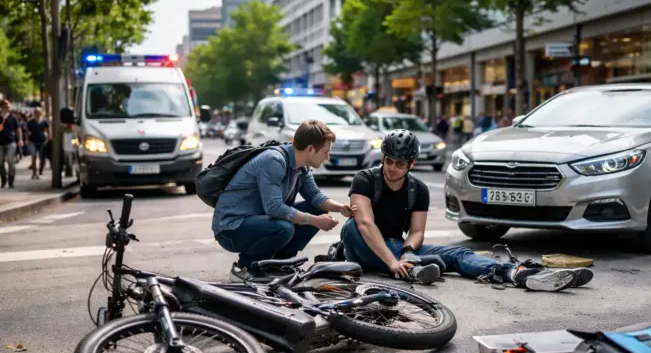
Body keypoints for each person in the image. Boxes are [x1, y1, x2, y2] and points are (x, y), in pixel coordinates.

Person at [340, 129, 592, 291]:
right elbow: (365, 224)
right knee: (351, 226)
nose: (392, 168)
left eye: (400, 163)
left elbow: (416, 232)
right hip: (364, 247)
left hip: (396, 248)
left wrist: (406, 252)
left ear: (412, 164)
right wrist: (393, 261)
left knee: (459, 253)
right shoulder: (365, 179)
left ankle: (518, 274)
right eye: (388, 161)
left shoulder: (418, 189)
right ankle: (409, 270)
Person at [212, 120, 358, 283]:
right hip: (231, 228)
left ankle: (278, 264)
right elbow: (274, 208)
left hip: (259, 222)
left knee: (316, 209)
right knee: (283, 227)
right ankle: (244, 268)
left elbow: (315, 197)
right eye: (325, 152)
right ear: (310, 149)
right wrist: (314, 221)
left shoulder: (302, 165)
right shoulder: (273, 161)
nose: (327, 157)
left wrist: (340, 208)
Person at [0, 100, 23, 188]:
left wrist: (20, 139)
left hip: (11, 141)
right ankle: (3, 178)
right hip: (0, 142)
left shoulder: (12, 117)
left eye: (8, 104)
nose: (8, 106)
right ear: (2, 106)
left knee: (10, 161)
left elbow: (18, 129)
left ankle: (11, 180)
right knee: (0, 162)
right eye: (6, 105)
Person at [26, 108, 48, 179]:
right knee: (33, 156)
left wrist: (48, 139)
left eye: (38, 112)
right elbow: (27, 131)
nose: (37, 114)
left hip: (42, 141)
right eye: (35, 112)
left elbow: (48, 130)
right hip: (33, 141)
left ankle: (40, 169)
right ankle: (34, 172)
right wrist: (27, 140)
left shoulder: (44, 121)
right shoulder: (30, 122)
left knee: (42, 157)